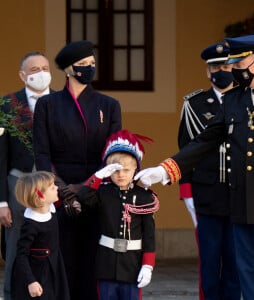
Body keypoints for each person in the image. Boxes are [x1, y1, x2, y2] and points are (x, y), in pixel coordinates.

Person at [135, 35, 254, 300]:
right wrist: (166, 170)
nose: (233, 69)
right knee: (252, 284)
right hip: (242, 209)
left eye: (238, 63)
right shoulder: (234, 99)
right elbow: (206, 140)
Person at [33, 40, 122, 300]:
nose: (89, 69)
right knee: (62, 264)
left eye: (92, 64)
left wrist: (84, 189)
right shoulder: (47, 105)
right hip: (58, 194)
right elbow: (42, 153)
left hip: (96, 192)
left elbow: (112, 155)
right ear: (69, 69)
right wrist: (64, 192)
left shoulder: (109, 105)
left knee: (93, 265)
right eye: (83, 65)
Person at [178, 42, 240, 300]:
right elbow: (185, 151)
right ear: (208, 72)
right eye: (216, 67)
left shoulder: (246, 100)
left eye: (226, 65)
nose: (221, 71)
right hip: (206, 196)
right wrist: (188, 196)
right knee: (210, 263)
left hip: (240, 195)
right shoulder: (194, 104)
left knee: (236, 264)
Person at [77, 129, 159, 300]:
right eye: (115, 170)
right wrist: (98, 176)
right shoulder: (103, 192)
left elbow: (149, 235)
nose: (121, 175)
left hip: (133, 265)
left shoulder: (145, 196)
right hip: (106, 264)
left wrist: (148, 265)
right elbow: (84, 198)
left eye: (126, 170)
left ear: (136, 168)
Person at [0, 51, 52, 300]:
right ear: (22, 75)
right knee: (15, 247)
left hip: (52, 185)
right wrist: (1, 202)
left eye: (45, 68)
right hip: (18, 184)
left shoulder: (62, 102)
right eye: (34, 70)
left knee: (52, 245)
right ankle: (10, 295)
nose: (41, 74)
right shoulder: (7, 105)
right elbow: (0, 157)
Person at [11, 171, 70, 300]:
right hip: (38, 274)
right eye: (52, 187)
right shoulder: (31, 224)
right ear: (41, 196)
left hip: (54, 267)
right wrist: (31, 281)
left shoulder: (51, 209)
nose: (57, 188)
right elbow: (22, 255)